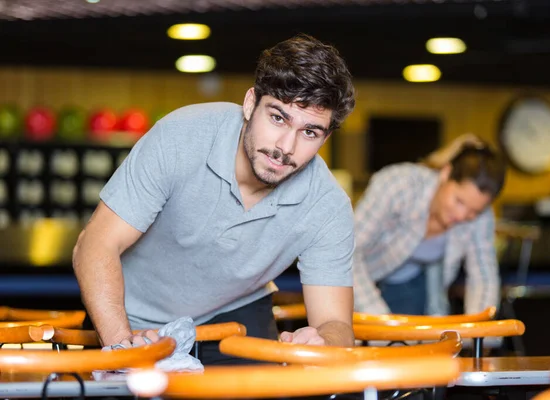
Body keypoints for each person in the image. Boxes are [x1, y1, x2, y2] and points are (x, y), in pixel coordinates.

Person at [72, 34, 356, 364]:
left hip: (235, 315)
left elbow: (335, 323)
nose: (286, 146)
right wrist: (121, 343)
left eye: (310, 132)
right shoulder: (181, 136)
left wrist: (325, 340)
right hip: (129, 315)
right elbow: (94, 245)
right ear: (250, 103)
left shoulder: (329, 206)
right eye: (278, 117)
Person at [353, 135, 506, 317]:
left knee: (414, 338)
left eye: (474, 211)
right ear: (446, 173)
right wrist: (378, 319)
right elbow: (347, 251)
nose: (461, 215)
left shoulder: (482, 216)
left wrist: (480, 335)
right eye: (459, 201)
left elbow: (484, 276)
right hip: (362, 274)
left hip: (413, 282)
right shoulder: (398, 185)